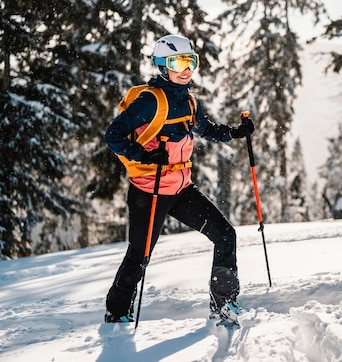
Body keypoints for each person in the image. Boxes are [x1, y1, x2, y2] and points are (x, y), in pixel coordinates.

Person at [103, 34, 254, 324]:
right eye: (178, 62)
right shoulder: (149, 101)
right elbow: (113, 136)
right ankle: (117, 313)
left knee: (225, 234)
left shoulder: (188, 100)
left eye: (191, 61)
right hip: (150, 191)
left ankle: (223, 303)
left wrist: (234, 133)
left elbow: (205, 129)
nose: (186, 69)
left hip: (181, 188)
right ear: (162, 66)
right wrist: (144, 156)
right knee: (139, 256)